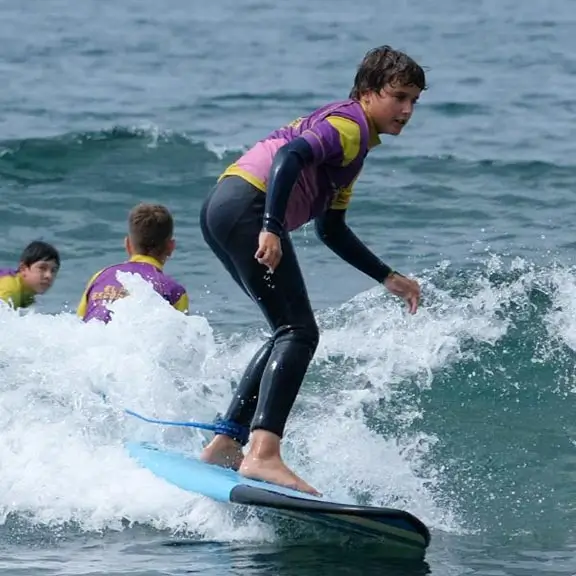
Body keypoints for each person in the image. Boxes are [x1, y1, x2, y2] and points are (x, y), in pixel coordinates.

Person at [199, 45, 426, 495]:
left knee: (287, 329)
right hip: (249, 206)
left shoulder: (352, 147)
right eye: (398, 96)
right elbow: (289, 159)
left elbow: (332, 229)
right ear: (366, 93)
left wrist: (387, 277)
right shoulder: (347, 127)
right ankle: (263, 454)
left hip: (224, 206)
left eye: (414, 101)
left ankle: (227, 441)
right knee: (299, 332)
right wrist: (270, 226)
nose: (406, 110)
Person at [77, 203, 188, 323]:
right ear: (171, 247)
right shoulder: (175, 292)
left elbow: (78, 323)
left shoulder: (100, 277)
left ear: (127, 244)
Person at [0, 240, 60, 310]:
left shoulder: (28, 297)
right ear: (23, 269)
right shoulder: (9, 287)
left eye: (53, 270)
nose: (49, 276)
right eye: (42, 268)